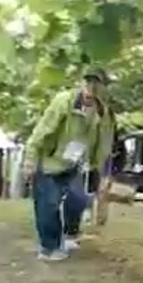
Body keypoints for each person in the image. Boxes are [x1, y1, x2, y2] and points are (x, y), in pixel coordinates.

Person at [23, 71, 115, 262]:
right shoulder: (63, 102)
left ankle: (70, 234)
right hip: (49, 161)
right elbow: (42, 131)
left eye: (96, 86)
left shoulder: (103, 113)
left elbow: (104, 144)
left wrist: (102, 172)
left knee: (79, 199)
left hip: (74, 163)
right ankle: (50, 247)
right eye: (88, 84)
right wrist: (30, 160)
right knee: (48, 204)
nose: (90, 90)